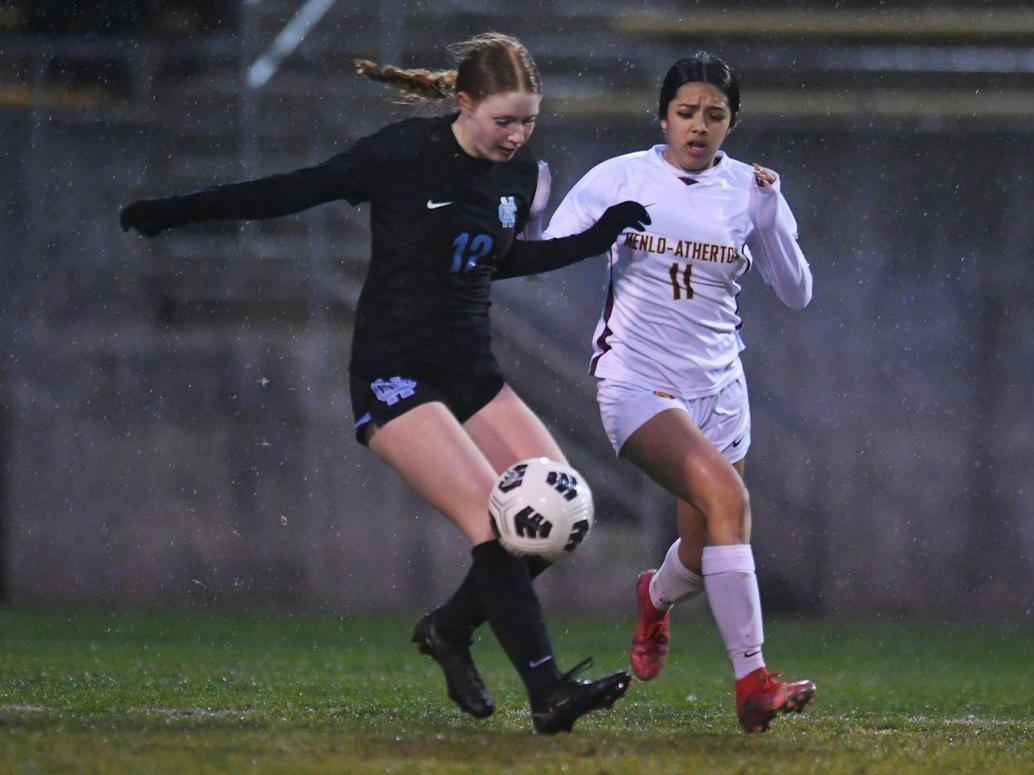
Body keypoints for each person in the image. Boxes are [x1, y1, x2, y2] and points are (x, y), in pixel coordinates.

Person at [119, 32, 651, 735]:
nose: (517, 135)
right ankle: (547, 690)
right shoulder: (403, 153)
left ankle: (449, 629)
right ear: (463, 103)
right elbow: (293, 189)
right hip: (395, 372)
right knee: (496, 525)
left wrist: (594, 238)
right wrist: (178, 211)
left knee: (561, 518)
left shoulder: (519, 174)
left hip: (471, 371)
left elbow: (493, 259)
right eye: (504, 120)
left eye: (529, 120)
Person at [538, 52, 817, 733]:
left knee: (701, 550)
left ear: (732, 123)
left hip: (721, 387)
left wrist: (772, 211)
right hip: (635, 380)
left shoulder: (749, 190)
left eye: (714, 116)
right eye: (686, 112)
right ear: (662, 116)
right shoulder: (621, 177)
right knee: (730, 500)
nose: (699, 127)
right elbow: (549, 250)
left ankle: (654, 596)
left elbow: (797, 291)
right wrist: (530, 214)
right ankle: (752, 679)